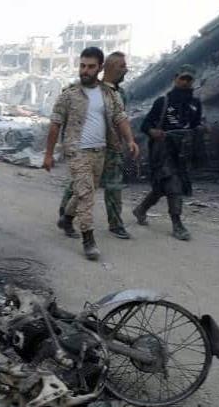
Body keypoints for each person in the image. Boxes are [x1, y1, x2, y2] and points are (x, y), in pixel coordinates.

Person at [43, 47, 139, 261]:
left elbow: (120, 118)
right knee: (87, 195)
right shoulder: (69, 95)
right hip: (77, 151)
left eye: (90, 67)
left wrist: (130, 140)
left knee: (84, 192)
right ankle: (88, 240)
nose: (85, 71)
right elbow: (55, 124)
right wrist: (48, 154)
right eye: (82, 66)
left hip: (101, 151)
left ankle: (67, 218)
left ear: (100, 68)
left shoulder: (109, 94)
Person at [58, 51, 132, 239]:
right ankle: (68, 218)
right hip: (86, 147)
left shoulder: (118, 93)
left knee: (112, 185)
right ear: (112, 67)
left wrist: (128, 140)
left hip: (111, 148)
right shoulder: (80, 90)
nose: (126, 70)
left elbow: (120, 119)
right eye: (122, 66)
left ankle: (115, 223)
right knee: (81, 185)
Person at [134, 64, 203, 241]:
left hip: (182, 152)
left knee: (160, 188)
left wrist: (202, 130)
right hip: (163, 150)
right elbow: (145, 125)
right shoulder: (162, 102)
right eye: (182, 78)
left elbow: (195, 126)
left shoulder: (195, 104)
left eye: (189, 79)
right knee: (173, 185)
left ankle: (141, 209)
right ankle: (177, 224)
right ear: (175, 79)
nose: (185, 82)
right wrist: (153, 132)